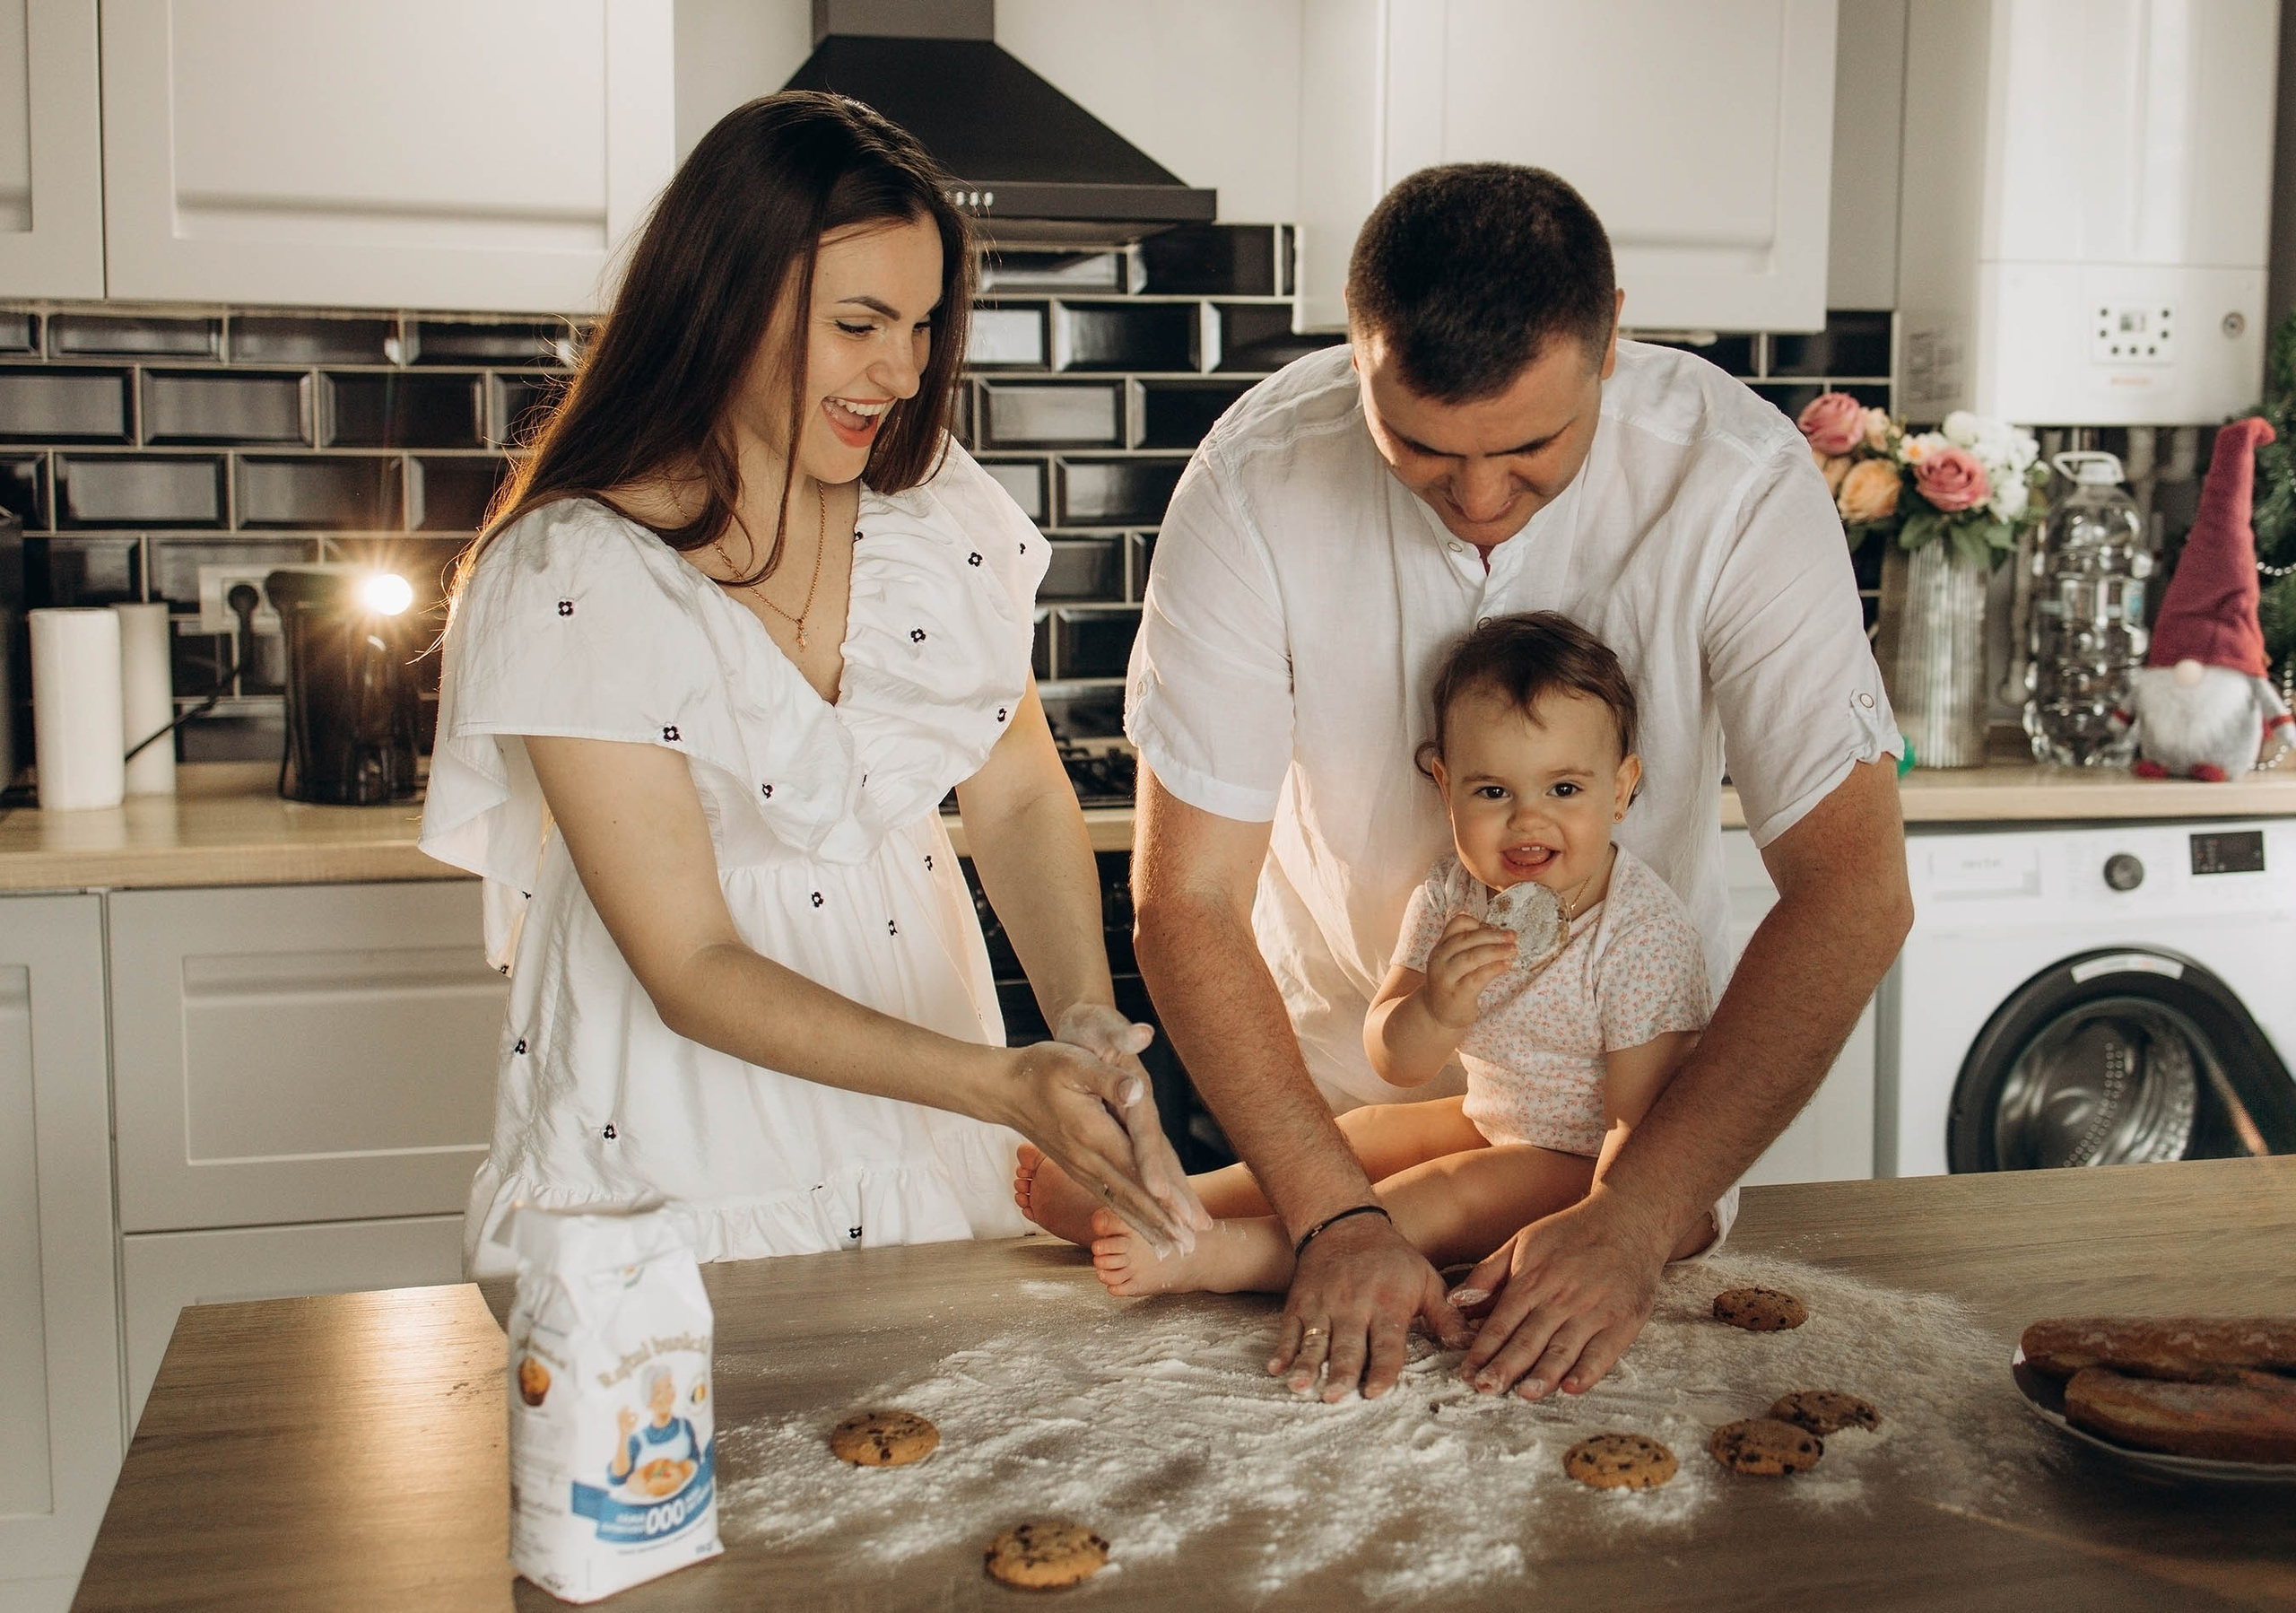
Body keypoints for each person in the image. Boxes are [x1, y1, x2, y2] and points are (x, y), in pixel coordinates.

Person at [1111, 163, 1914, 1402]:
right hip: (1322, 1110)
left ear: (1610, 345)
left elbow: (1854, 888)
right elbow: (1186, 902)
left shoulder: (1739, 481)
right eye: (1421, 448)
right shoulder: (1252, 481)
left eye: (1533, 446)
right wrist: (1332, 1218)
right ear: (1356, 347)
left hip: (1621, 1151)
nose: (1478, 500)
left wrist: (1638, 1214)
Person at [419, 92, 1207, 1279]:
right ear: (725, 298)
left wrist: (1083, 1018)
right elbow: (690, 964)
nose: (899, 369)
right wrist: (999, 1085)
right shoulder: (571, 574)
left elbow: (1021, 796)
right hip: (683, 1146)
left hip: (929, 1112)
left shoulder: (932, 511)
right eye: (859, 322)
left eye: (925, 323)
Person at [1031, 614, 1724, 1299]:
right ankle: (1161, 1201)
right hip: (1496, 1118)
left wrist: (1604, 1233)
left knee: (1442, 1193)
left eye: (1564, 789)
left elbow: (1639, 1127)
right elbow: (1397, 1060)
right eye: (1492, 791)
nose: (1527, 817)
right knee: (1360, 1135)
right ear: (1446, 785)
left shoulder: (1639, 936)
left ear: (1623, 787)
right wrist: (1437, 1008)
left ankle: (1231, 1257)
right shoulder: (1456, 894)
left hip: (1601, 1171)